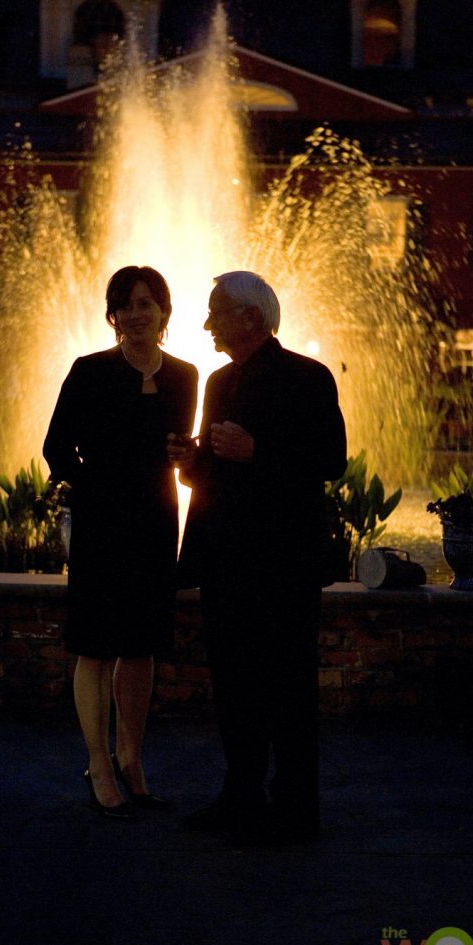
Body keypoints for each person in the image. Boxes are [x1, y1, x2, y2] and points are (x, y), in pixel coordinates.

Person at [167, 270, 347, 845]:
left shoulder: (308, 376)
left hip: (284, 562)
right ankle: (240, 796)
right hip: (227, 558)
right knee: (235, 684)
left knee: (289, 685)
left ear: (251, 317)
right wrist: (188, 461)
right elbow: (214, 472)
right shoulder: (219, 383)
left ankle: (295, 809)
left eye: (216, 311)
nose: (206, 323)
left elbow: (331, 458)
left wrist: (257, 450)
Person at [44, 265, 197, 819]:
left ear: (163, 312)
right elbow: (56, 448)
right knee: (96, 643)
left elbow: (178, 448)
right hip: (102, 523)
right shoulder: (89, 372)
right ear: (113, 314)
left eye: (147, 303)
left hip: (156, 518)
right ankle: (98, 764)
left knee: (141, 644)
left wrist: (189, 457)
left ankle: (132, 760)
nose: (137, 313)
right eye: (126, 304)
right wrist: (94, 489)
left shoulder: (186, 374)